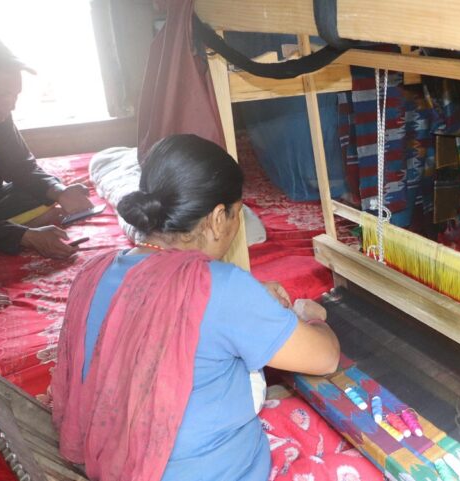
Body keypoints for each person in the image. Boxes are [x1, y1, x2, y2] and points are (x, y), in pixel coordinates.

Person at [52, 134, 340, 481]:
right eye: (237, 213)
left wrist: (251, 298)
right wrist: (314, 317)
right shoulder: (223, 288)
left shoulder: (93, 271)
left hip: (116, 467)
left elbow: (156, 307)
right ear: (218, 217)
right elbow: (325, 358)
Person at [0, 38, 93, 258]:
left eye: (15, 95)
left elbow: (22, 167)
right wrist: (26, 236)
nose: (12, 104)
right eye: (5, 95)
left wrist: (59, 192)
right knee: (40, 216)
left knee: (46, 194)